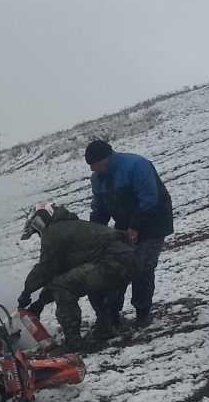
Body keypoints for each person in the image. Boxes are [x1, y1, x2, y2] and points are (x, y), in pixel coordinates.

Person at [18, 201, 137, 350]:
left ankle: (74, 342)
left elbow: (45, 269)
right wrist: (41, 302)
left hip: (111, 264)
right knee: (87, 282)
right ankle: (107, 326)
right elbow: (60, 272)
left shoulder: (54, 232)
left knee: (62, 286)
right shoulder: (72, 226)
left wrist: (26, 293)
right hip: (126, 261)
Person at [83, 139, 173, 328]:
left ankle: (142, 313)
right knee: (116, 267)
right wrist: (93, 232)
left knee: (142, 267)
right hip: (124, 224)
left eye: (94, 165)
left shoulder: (137, 165)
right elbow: (100, 209)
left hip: (153, 221)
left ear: (105, 159)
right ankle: (112, 314)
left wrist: (135, 227)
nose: (93, 170)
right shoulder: (98, 178)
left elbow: (149, 199)